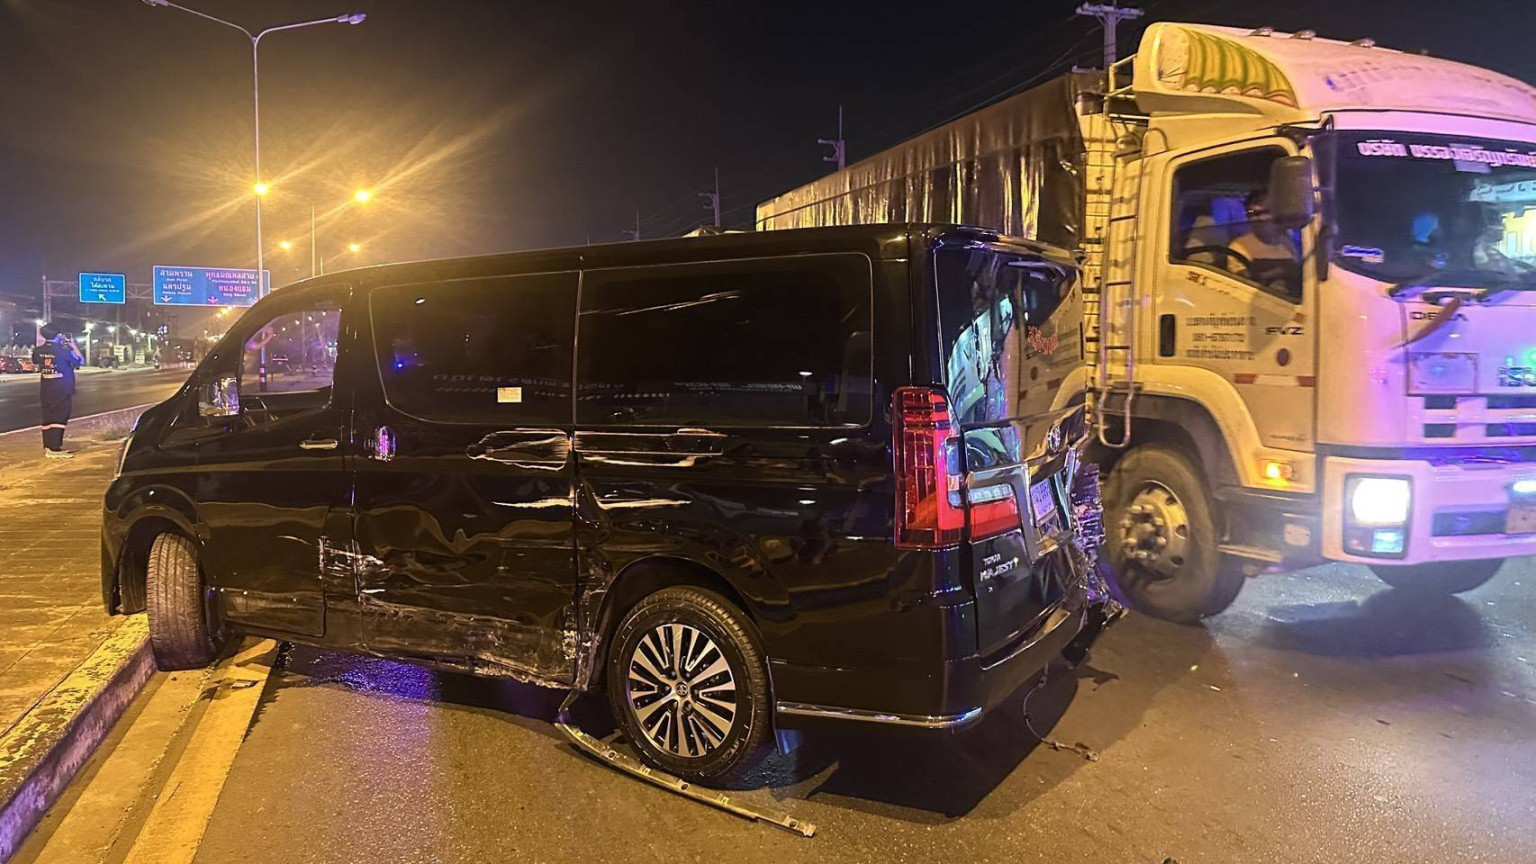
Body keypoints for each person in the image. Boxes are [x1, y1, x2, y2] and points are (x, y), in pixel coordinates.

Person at [33, 323, 84, 458]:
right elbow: (80, 361)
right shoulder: (63, 351)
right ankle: (55, 449)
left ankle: (48, 447)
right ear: (58, 335)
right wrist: (73, 346)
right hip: (62, 389)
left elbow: (36, 361)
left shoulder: (38, 350)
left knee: (47, 417)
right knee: (59, 417)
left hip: (45, 389)